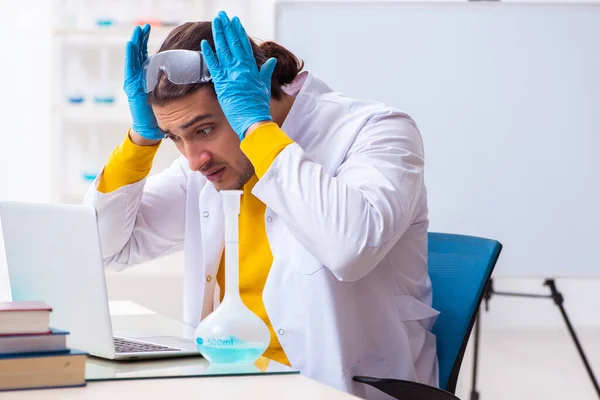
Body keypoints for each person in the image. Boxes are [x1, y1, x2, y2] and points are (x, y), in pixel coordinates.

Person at [84, 11, 439, 399]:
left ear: (256, 92)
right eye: (175, 138)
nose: (193, 159)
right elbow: (103, 248)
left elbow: (351, 248)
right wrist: (141, 140)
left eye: (204, 129)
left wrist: (256, 129)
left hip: (336, 388)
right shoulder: (206, 165)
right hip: (233, 382)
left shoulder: (375, 130)